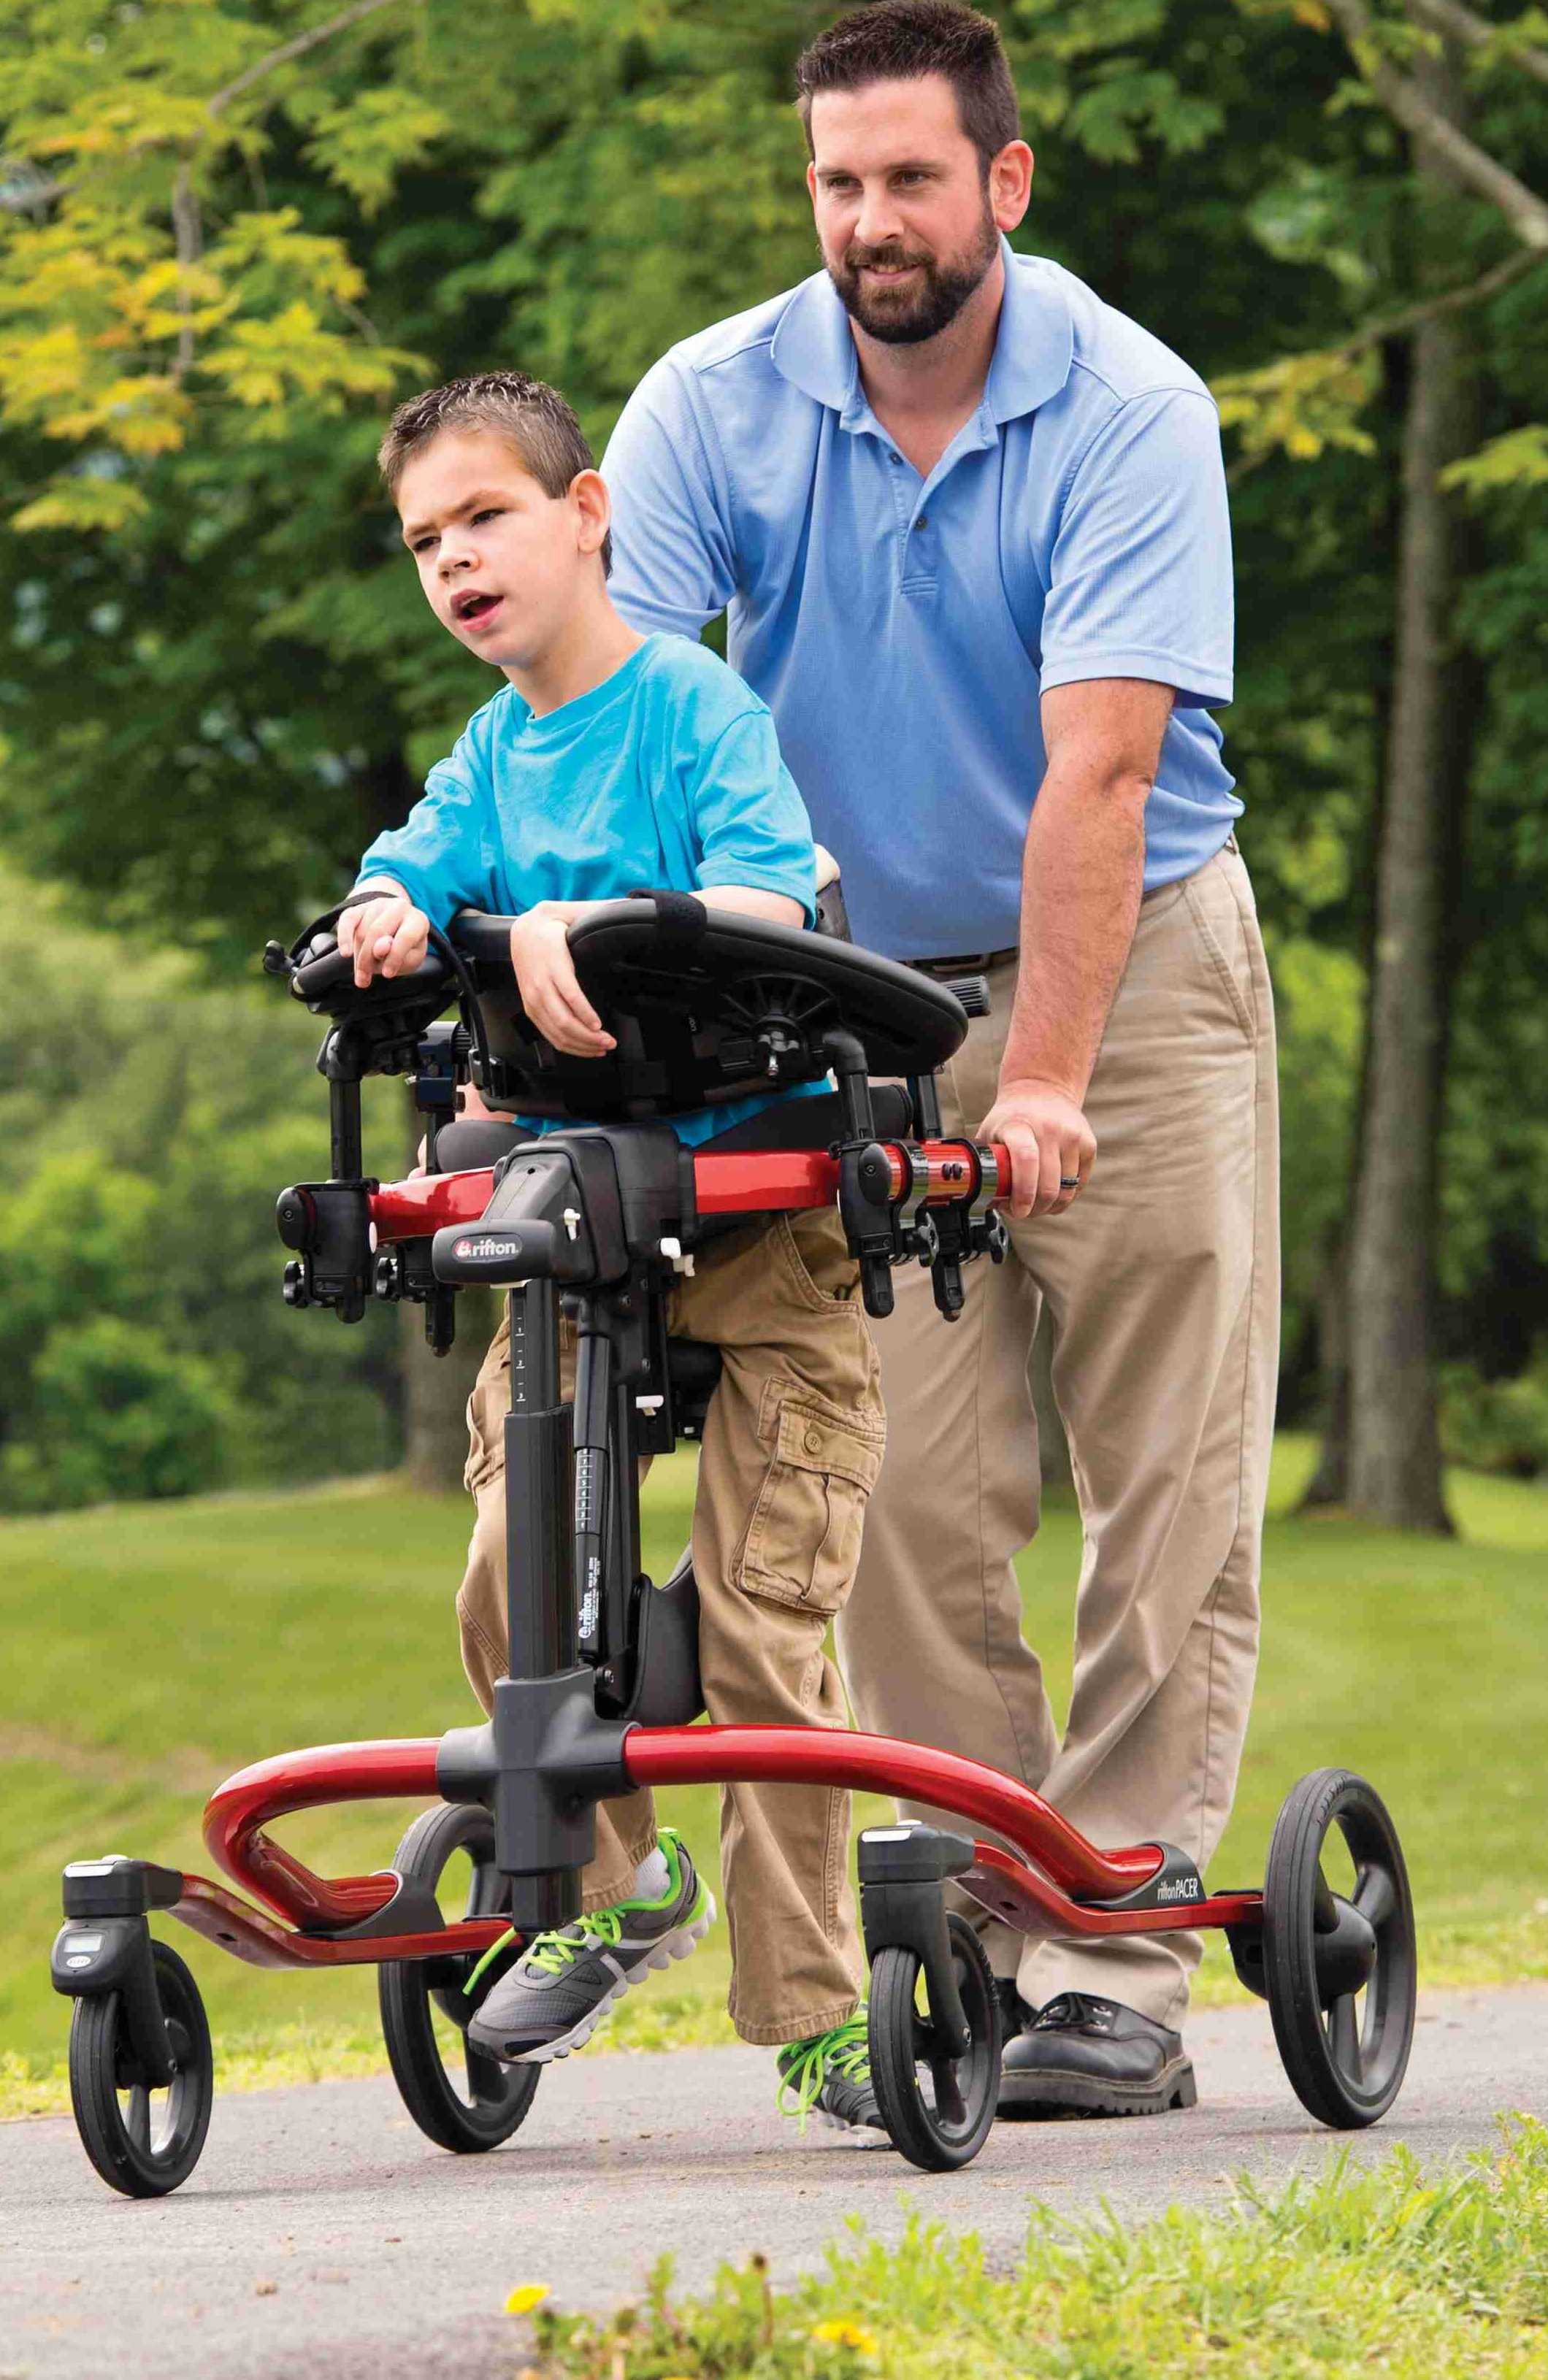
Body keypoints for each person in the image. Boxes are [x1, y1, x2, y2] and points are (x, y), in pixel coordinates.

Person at [600, 0, 1279, 2117]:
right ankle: (973, 1922)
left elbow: (1102, 774)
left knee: (1164, 1475)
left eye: (908, 177)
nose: (869, 221)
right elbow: (615, 704)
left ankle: (1119, 1950)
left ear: (1003, 181)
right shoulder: (714, 401)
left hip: (1132, 979)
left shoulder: (1128, 405)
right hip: (849, 999)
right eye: (837, 182)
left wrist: (1045, 1076)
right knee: (898, 1486)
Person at [337, 371, 889, 2135]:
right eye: (424, 540)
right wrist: (390, 911)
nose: (454, 559)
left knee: (763, 1621)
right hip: (580, 1230)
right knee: (510, 1575)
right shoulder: (488, 759)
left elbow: (771, 897)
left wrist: (579, 921)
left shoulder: (690, 711)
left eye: (485, 517)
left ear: (584, 517)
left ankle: (819, 2011)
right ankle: (620, 1885)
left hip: (758, 1221)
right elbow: (410, 864)